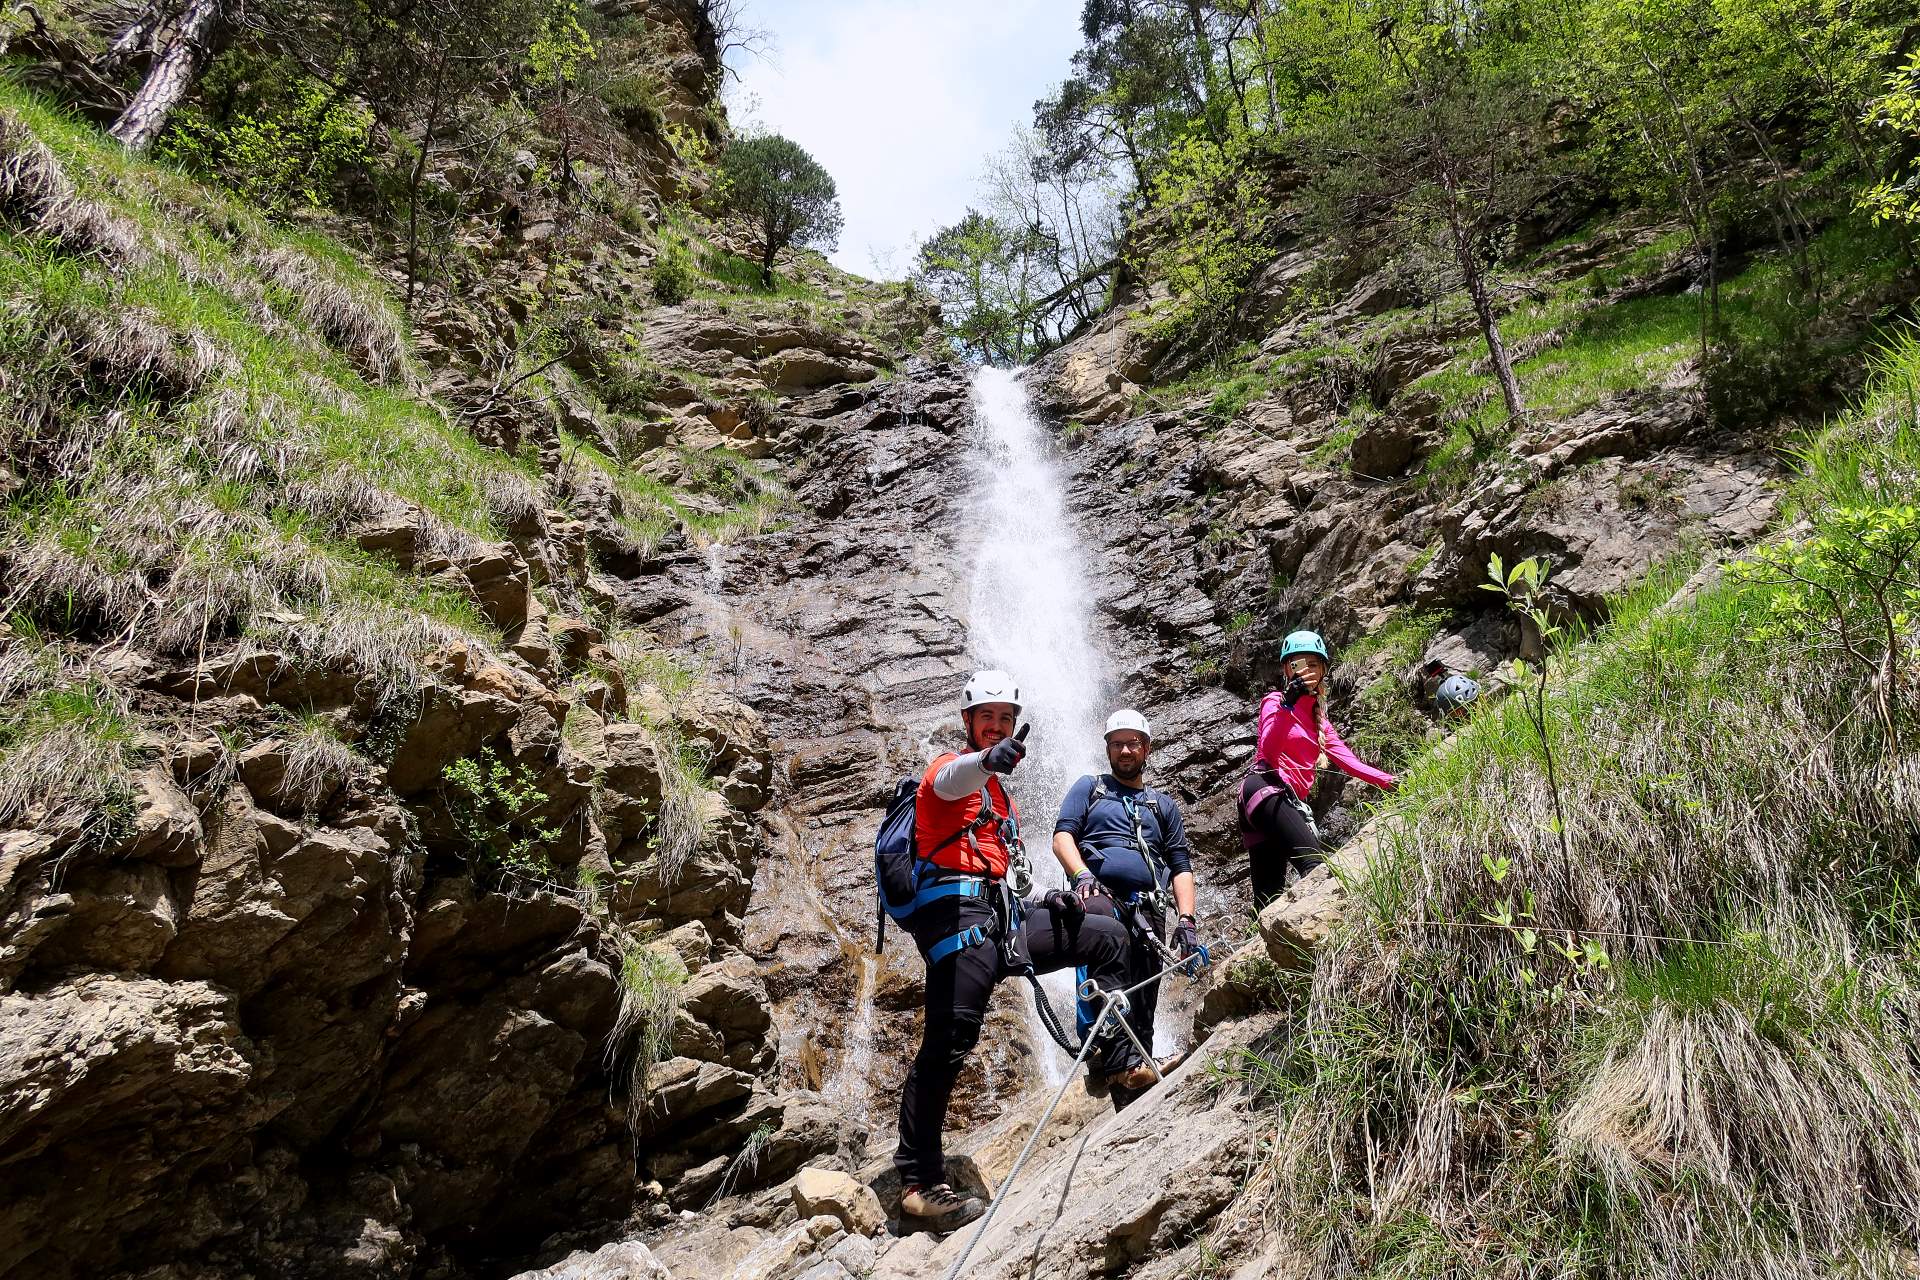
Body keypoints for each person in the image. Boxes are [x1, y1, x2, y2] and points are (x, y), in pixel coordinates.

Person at [894, 670, 1140, 1231]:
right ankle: (917, 1183)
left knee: (1104, 928)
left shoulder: (1001, 798)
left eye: (1006, 719)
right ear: (969, 723)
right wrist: (989, 760)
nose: (998, 727)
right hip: (958, 924)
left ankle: (1118, 1059)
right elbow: (955, 778)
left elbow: (1009, 870)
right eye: (988, 718)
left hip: (1003, 919)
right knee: (948, 1044)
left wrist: (1047, 895)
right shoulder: (946, 773)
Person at [1053, 708, 1206, 1110]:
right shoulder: (1089, 788)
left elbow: (1181, 866)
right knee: (1110, 951)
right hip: (1098, 895)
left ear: (1146, 748)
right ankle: (1120, 1061)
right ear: (1107, 748)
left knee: (1144, 995)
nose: (1124, 750)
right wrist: (1081, 875)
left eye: (1132, 743)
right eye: (1117, 743)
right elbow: (1062, 838)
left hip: (1150, 908)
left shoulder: (1162, 806)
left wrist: (1186, 919)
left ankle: (1132, 1086)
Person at [1239, 631, 1397, 909]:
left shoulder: (1320, 723)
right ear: (1288, 670)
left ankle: (1265, 947)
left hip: (1273, 801)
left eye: (1314, 664)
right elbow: (1269, 749)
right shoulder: (1275, 701)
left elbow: (1350, 762)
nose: (1308, 671)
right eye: (1299, 664)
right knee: (1314, 864)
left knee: (1268, 897)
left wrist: (1390, 782)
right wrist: (1287, 704)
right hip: (1265, 787)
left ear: (1323, 670)